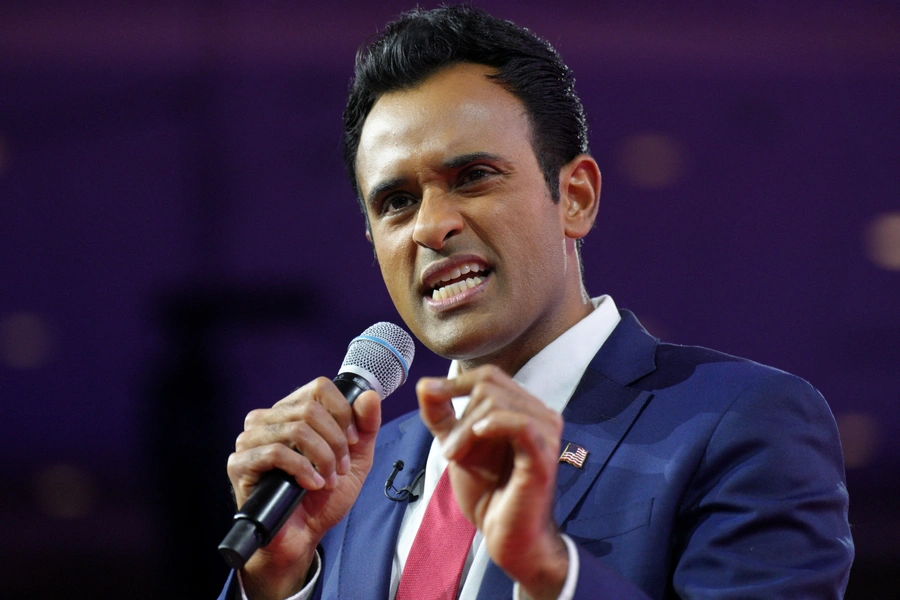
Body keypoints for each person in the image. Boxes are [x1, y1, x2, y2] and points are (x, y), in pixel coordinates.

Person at [218, 5, 853, 599]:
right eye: (396, 202)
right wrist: (280, 581)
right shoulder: (339, 476)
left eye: (472, 177)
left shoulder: (743, 423)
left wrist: (551, 569)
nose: (429, 227)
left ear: (574, 197)